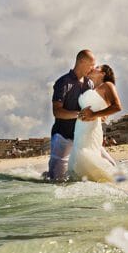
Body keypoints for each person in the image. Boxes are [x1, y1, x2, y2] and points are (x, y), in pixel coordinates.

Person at [69, 64, 123, 182]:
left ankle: (118, 181)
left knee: (89, 156)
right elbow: (99, 108)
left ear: (103, 74)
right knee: (86, 157)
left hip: (91, 129)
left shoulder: (107, 85)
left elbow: (117, 106)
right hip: (80, 129)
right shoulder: (92, 89)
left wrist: (94, 115)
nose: (93, 68)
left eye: (97, 67)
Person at [48, 49, 96, 181]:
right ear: (81, 62)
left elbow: (90, 108)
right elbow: (57, 112)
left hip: (80, 137)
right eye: (91, 65)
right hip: (62, 136)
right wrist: (78, 114)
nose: (93, 69)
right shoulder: (63, 82)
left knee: (82, 177)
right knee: (56, 180)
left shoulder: (89, 84)